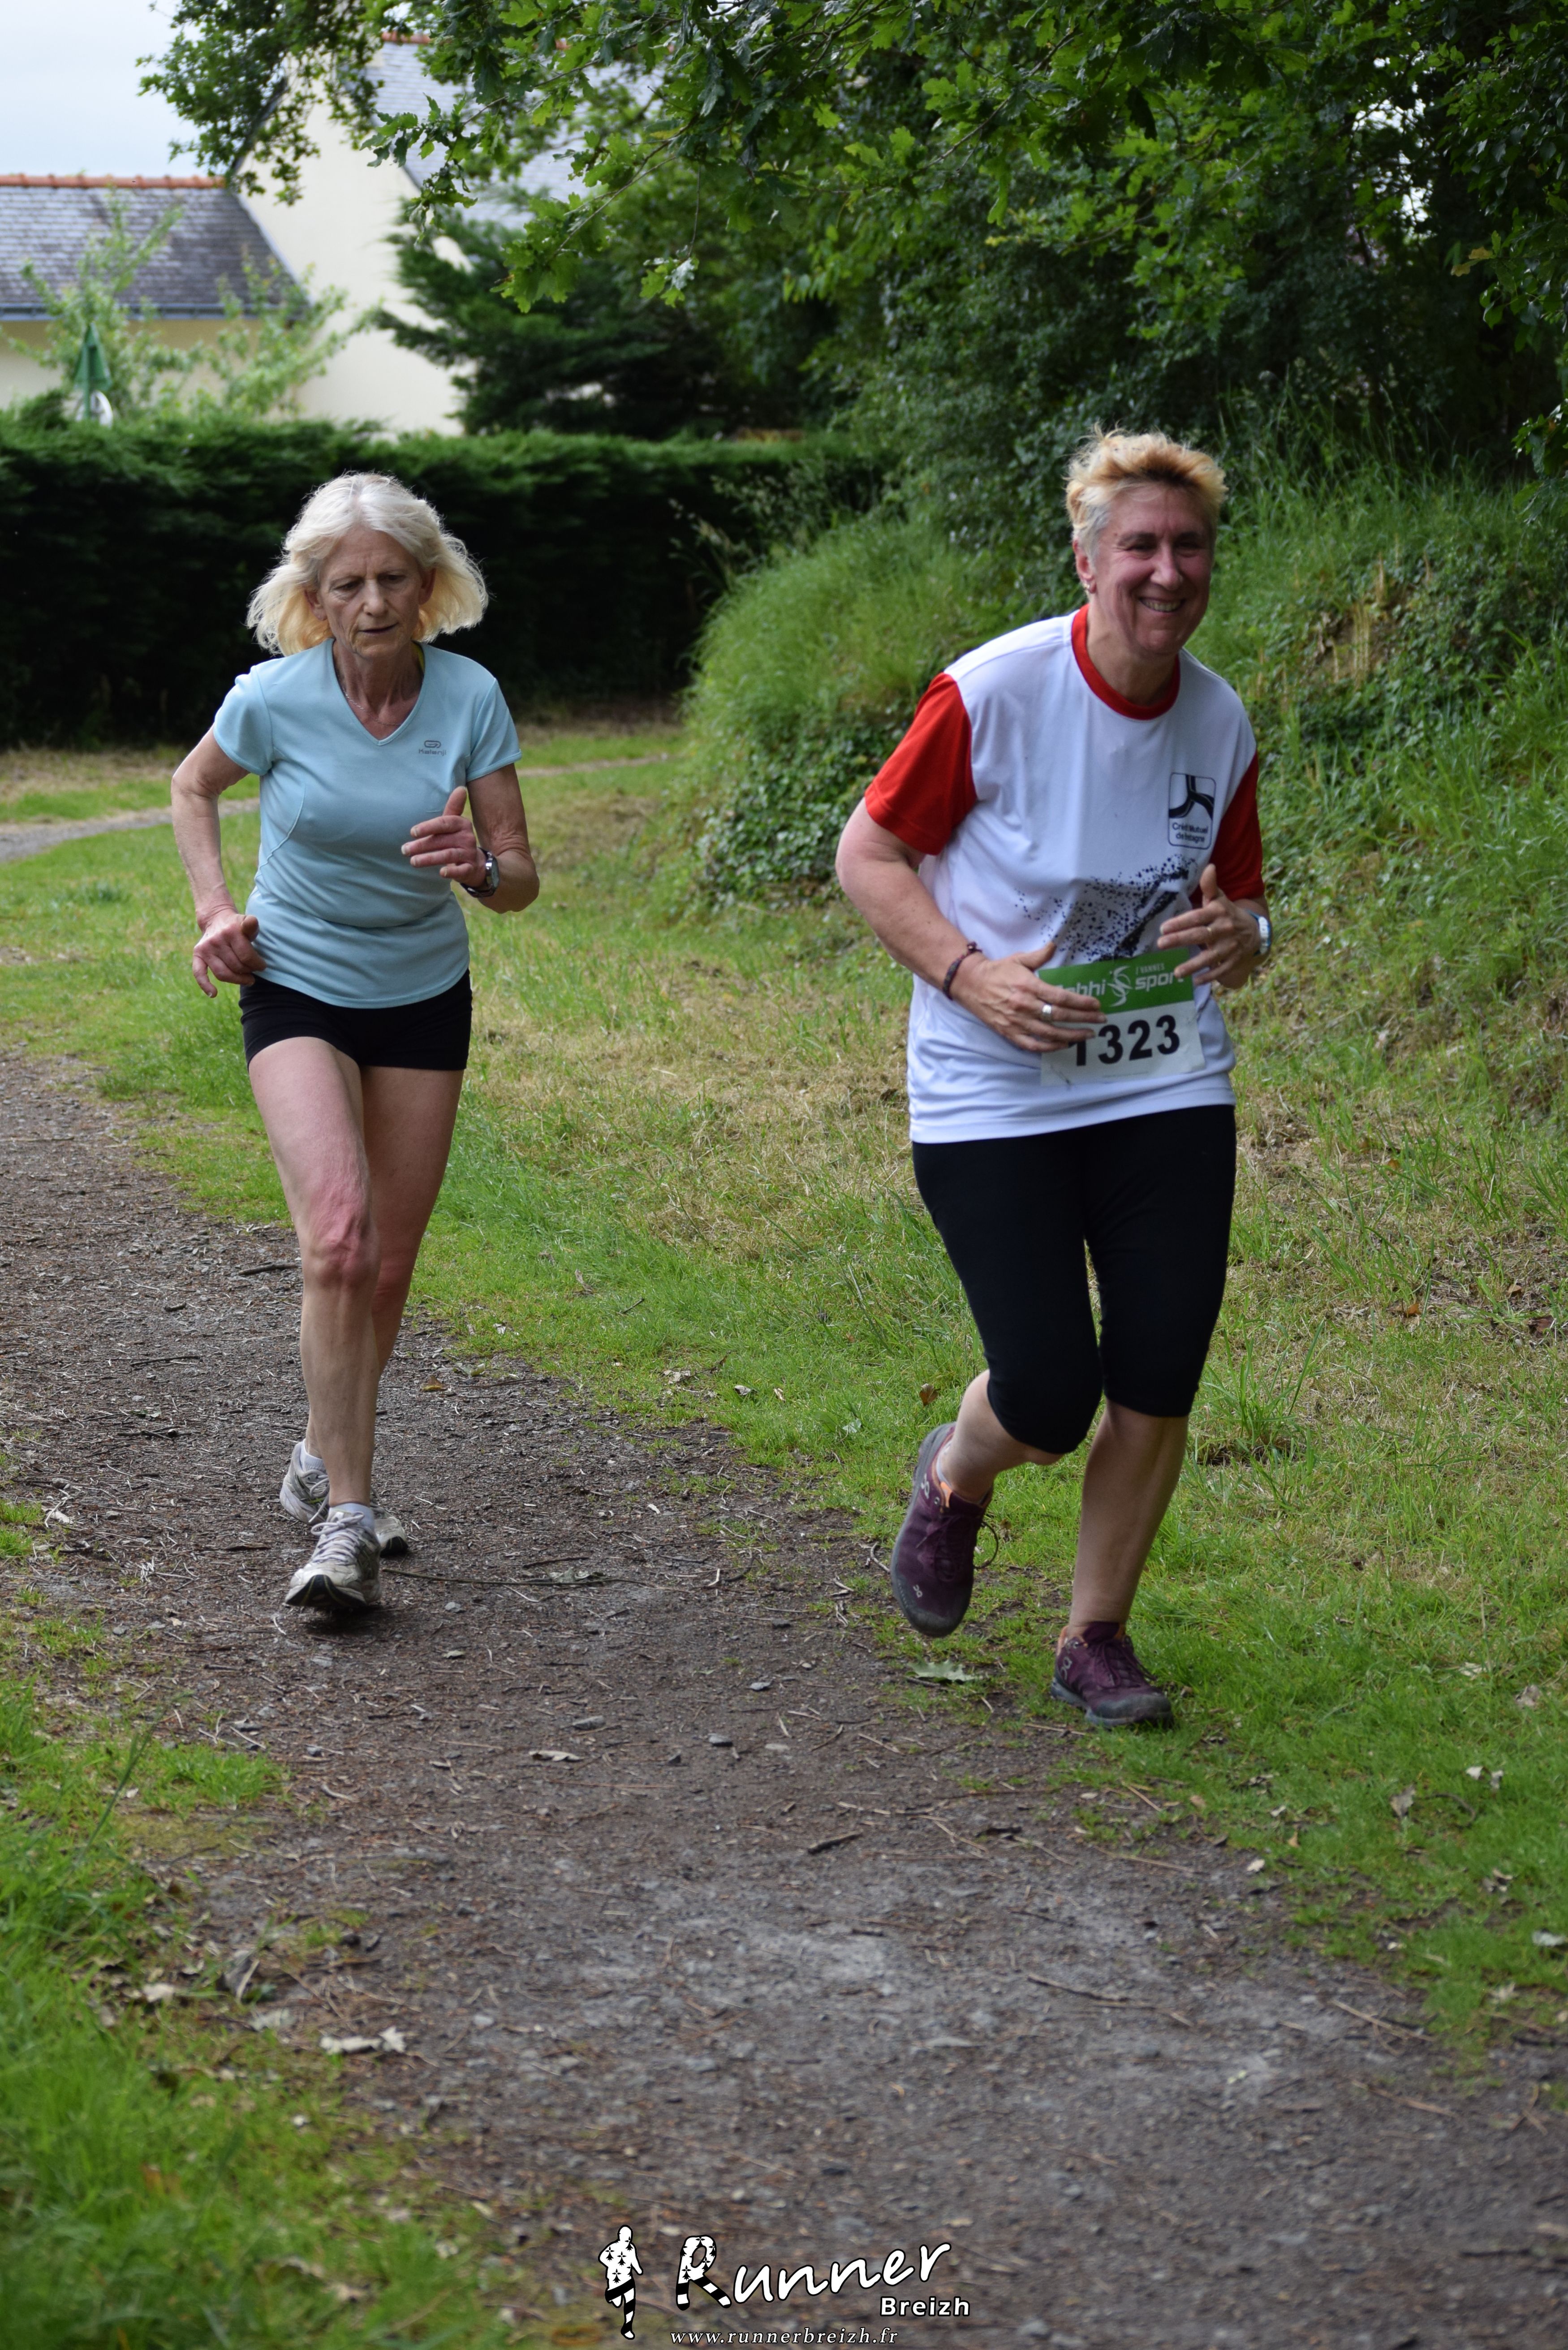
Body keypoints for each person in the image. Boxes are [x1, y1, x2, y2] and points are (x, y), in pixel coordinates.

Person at [835, 431, 1271, 1727]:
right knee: (1045, 1388)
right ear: (1087, 560)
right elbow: (867, 856)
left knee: (1156, 1372)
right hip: (995, 1088)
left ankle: (1095, 1636)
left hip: (1162, 1083)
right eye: (1138, 545)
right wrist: (970, 975)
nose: (1165, 569)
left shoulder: (1218, 716)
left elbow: (1245, 904)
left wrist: (1244, 935)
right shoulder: (995, 691)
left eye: (1188, 546)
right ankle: (958, 1475)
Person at [171, 472, 538, 1615]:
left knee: (386, 1265)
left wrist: (476, 865)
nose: (371, 603)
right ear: (315, 597)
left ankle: (316, 1453)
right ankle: (346, 1520)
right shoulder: (273, 700)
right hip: (296, 984)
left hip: (422, 995)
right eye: (347, 585)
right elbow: (191, 788)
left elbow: (519, 877)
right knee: (337, 1237)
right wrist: (216, 910)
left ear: (427, 587)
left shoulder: (471, 697)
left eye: (390, 580)